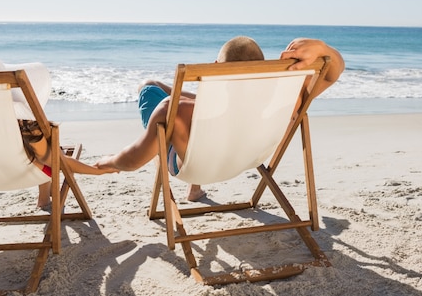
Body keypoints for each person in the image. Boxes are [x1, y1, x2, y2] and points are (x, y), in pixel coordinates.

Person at [94, 36, 345, 201]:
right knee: (184, 102)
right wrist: (322, 48)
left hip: (194, 162)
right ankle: (196, 189)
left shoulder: (176, 110)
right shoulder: (289, 101)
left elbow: (132, 160)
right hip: (247, 157)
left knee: (150, 87)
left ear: (216, 67)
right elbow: (333, 73)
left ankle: (194, 183)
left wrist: (106, 162)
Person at [0, 53, 116, 209]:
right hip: (17, 172)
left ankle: (43, 198)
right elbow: (53, 160)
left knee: (40, 154)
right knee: (52, 153)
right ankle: (43, 200)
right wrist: (96, 170)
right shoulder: (22, 123)